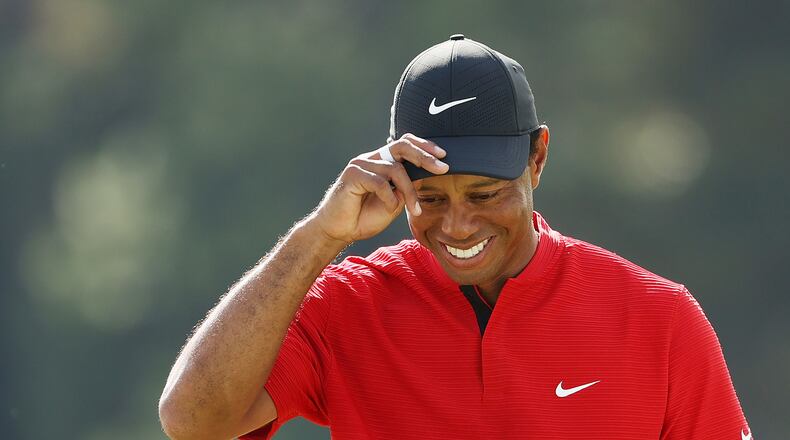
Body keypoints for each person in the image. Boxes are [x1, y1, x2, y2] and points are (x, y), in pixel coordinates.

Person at [159, 35, 752, 440]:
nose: (458, 226)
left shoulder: (661, 320)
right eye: (431, 198)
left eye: (485, 195)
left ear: (537, 157)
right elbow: (194, 421)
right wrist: (320, 235)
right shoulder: (345, 304)